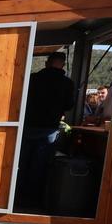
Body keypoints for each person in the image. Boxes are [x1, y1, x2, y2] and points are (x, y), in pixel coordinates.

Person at [15, 50, 74, 212]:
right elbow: (69, 105)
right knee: (40, 166)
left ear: (47, 63)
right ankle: (33, 200)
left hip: (27, 127)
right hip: (48, 129)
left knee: (21, 164)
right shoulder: (67, 83)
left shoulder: (33, 79)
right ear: (62, 65)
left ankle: (16, 197)